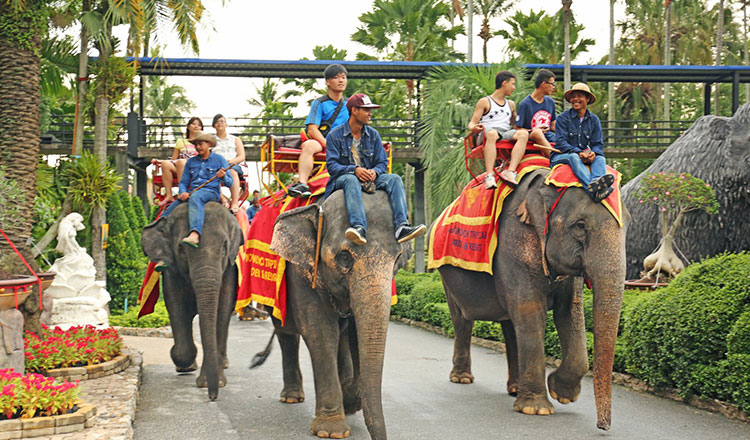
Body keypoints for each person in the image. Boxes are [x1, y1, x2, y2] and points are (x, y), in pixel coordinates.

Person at [325, 93, 426, 245]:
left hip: (370, 178)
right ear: (354, 111)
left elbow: (382, 162)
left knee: (395, 179)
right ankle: (359, 227)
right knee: (351, 179)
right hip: (345, 178)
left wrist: (375, 172)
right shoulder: (334, 135)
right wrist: (354, 170)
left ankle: (401, 227)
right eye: (366, 110)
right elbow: (332, 166)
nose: (370, 113)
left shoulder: (373, 135)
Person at [156, 131, 233, 267]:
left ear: (208, 144)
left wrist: (223, 177)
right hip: (192, 193)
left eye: (200, 144)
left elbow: (230, 182)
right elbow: (184, 182)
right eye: (196, 144)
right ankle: (164, 253)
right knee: (166, 214)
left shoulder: (219, 160)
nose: (198, 147)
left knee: (197, 197)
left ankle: (195, 233)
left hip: (210, 192)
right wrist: (183, 192)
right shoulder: (191, 162)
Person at [287, 64, 349, 198]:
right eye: (337, 78)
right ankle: (302, 183)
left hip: (344, 144)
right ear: (327, 81)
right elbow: (312, 129)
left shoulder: (350, 105)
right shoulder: (319, 103)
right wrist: (328, 144)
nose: (341, 81)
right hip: (322, 142)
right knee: (309, 145)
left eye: (343, 78)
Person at [552, 83, 615, 203]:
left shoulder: (594, 120)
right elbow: (561, 143)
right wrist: (579, 152)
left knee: (600, 158)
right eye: (573, 96)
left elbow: (597, 144)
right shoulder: (562, 118)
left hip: (584, 154)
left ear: (587, 99)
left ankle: (597, 182)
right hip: (563, 155)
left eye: (579, 96)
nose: (575, 99)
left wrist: (593, 153)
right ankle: (593, 190)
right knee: (574, 157)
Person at [468, 70, 529, 189]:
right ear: (504, 83)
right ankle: (489, 175)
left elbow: (515, 125)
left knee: (523, 134)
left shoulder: (510, 104)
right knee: (492, 134)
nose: (514, 88)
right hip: (488, 132)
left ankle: (511, 171)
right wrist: (474, 127)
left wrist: (529, 129)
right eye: (512, 84)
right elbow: (472, 123)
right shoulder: (485, 101)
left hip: (505, 132)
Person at [159, 117, 203, 206]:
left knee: (181, 162)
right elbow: (173, 159)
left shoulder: (203, 142)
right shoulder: (180, 141)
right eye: (193, 124)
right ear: (188, 126)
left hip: (197, 168)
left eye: (198, 125)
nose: (196, 126)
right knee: (166, 163)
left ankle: (182, 191)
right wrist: (159, 161)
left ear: (201, 128)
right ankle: (169, 195)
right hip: (181, 168)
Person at [515, 69, 557, 153]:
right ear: (544, 84)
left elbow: (553, 125)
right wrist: (534, 131)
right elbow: (517, 128)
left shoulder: (550, 102)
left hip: (549, 136)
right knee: (537, 133)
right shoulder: (525, 104)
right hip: (533, 138)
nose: (553, 87)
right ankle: (553, 157)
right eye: (552, 84)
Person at [212, 114, 246, 213]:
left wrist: (230, 162)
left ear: (226, 124)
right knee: (213, 172)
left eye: (222, 121)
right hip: (216, 165)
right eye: (217, 122)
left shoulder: (235, 139)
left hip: (231, 164)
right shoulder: (211, 141)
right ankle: (222, 198)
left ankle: (235, 203)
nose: (220, 123)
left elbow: (241, 156)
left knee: (232, 171)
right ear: (214, 125)